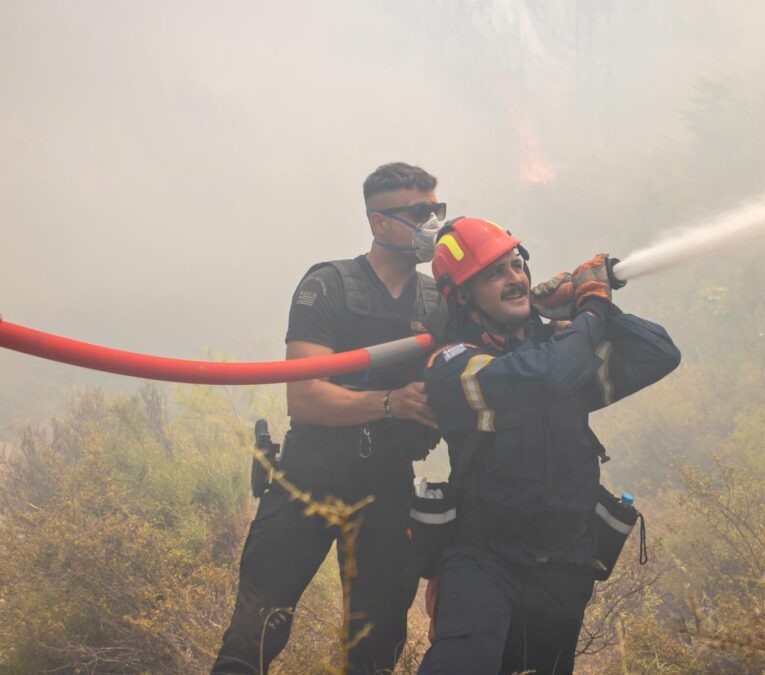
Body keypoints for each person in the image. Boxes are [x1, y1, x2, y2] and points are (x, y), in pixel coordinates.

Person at [417, 217, 681, 674]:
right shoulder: (452, 362)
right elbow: (544, 377)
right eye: (495, 273)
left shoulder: (563, 346)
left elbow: (659, 353)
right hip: (484, 559)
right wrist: (590, 313)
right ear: (462, 296)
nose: (515, 278)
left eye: (517, 266)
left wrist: (589, 304)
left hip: (564, 562)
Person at [213, 162, 445, 674]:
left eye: (436, 209)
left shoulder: (440, 299)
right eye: (419, 212)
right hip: (308, 480)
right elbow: (306, 398)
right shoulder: (329, 285)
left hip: (387, 488)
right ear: (379, 223)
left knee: (375, 647)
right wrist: (390, 403)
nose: (432, 223)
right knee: (255, 634)